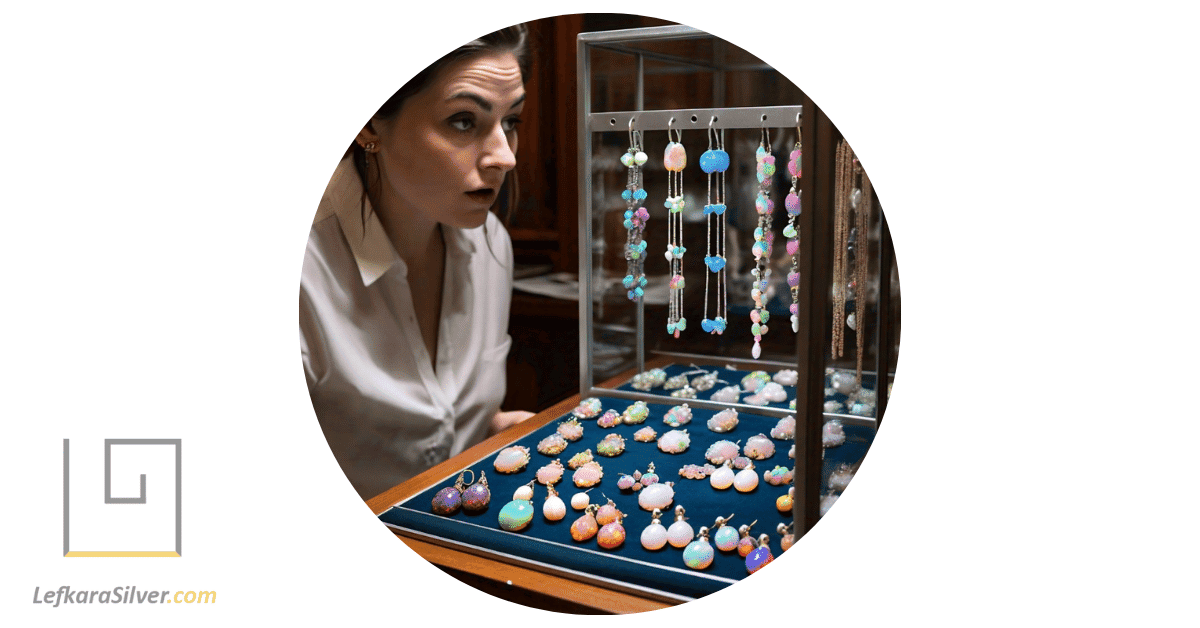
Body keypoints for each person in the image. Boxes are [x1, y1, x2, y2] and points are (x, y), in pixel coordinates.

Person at [300, 25, 535, 501]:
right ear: (368, 124)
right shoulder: (304, 269)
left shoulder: (491, 242)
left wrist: (488, 436)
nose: (505, 157)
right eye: (464, 122)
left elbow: (435, 423)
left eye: (511, 121)